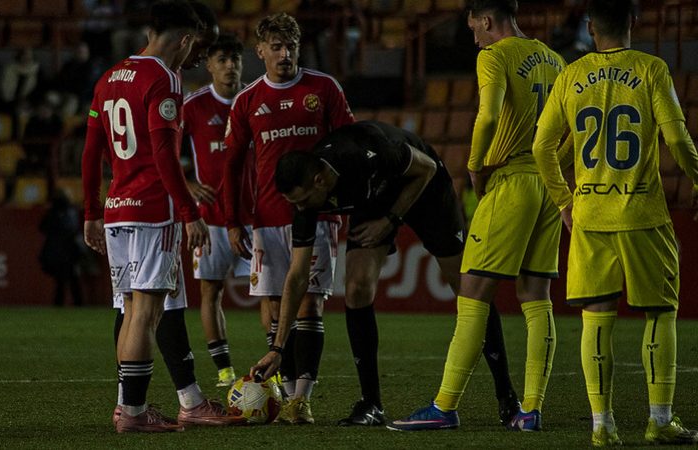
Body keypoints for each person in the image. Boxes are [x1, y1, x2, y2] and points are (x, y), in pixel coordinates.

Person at [250, 120, 520, 427]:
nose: (300, 209)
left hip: (425, 189)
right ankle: (371, 404)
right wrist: (278, 348)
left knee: (469, 289)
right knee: (356, 288)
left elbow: (427, 168)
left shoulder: (369, 152)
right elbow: (297, 276)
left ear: (320, 181)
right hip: (374, 201)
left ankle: (506, 395)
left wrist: (391, 219)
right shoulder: (307, 198)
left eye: (302, 200)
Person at [389, 0, 566, 432]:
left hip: (509, 182)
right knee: (535, 296)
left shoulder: (494, 55)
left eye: (474, 29)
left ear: (487, 21)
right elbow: (569, 129)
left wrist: (474, 164)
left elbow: (488, 114)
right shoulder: (556, 59)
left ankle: (444, 406)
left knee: (472, 294)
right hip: (547, 183)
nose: (474, 38)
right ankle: (530, 410)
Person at [532, 0, 698, 446]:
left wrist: (564, 202)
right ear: (633, 23)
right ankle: (659, 420)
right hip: (643, 214)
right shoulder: (652, 69)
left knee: (596, 319)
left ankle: (602, 427)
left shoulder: (571, 75)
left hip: (588, 215)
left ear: (590, 27)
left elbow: (542, 147)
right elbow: (677, 137)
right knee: (660, 313)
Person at [82, 0, 242, 433]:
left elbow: (91, 150)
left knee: (130, 306)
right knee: (146, 312)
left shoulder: (108, 77)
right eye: (196, 48)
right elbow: (164, 155)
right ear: (186, 39)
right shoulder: (164, 79)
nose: (194, 58)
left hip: (117, 208)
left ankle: (131, 405)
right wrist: (189, 212)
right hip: (154, 208)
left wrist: (92, 212)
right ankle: (133, 413)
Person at [222, 12, 355, 424]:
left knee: (310, 304)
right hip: (266, 216)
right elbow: (229, 164)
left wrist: (341, 203)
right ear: (259, 51)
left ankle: (301, 398)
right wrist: (231, 219)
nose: (284, 54)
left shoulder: (323, 88)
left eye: (291, 47)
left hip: (316, 214)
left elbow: (349, 145)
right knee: (273, 304)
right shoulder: (247, 100)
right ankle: (278, 383)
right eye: (276, 47)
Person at [182, 33, 251, 388]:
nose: (229, 66)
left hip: (254, 215)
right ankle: (225, 370)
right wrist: (186, 184)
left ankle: (279, 365)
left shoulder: (256, 99)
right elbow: (160, 148)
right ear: (209, 65)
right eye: (222, 59)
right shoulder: (192, 107)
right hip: (209, 218)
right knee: (211, 292)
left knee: (272, 293)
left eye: (235, 59)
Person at [39, 189, 84, 307]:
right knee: (71, 279)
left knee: (62, 281)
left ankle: (60, 303)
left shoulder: (53, 213)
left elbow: (42, 228)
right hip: (69, 251)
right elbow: (73, 230)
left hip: (59, 251)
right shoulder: (70, 212)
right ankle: (78, 303)